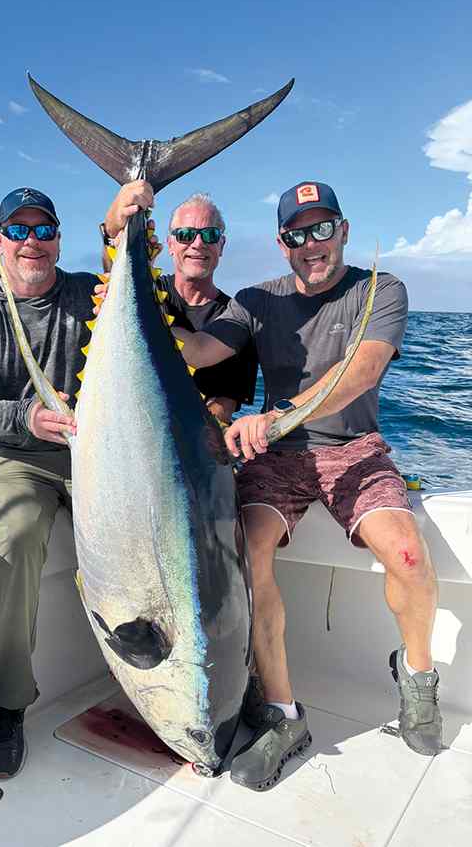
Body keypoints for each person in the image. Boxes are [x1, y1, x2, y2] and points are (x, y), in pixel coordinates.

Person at [163, 180, 442, 790]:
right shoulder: (257, 299)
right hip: (281, 459)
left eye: (323, 228)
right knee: (247, 549)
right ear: (282, 243)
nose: (312, 243)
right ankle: (284, 715)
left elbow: (362, 370)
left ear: (342, 230)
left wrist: (276, 413)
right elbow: (202, 348)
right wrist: (123, 283)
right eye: (298, 233)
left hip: (354, 449)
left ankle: (418, 681)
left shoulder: (380, 289)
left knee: (409, 554)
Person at [0, 186, 105, 779]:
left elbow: (131, 266)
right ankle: (8, 705)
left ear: (58, 238)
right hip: (18, 456)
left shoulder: (90, 293)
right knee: (18, 534)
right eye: (21, 230)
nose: (33, 242)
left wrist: (129, 212)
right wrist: (22, 417)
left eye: (45, 230)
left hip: (96, 454)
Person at [102, 184, 258, 424]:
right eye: (185, 235)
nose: (198, 244)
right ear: (170, 245)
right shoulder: (149, 290)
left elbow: (223, 405)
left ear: (222, 245)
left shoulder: (237, 316)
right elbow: (112, 280)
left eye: (210, 235)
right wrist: (113, 227)